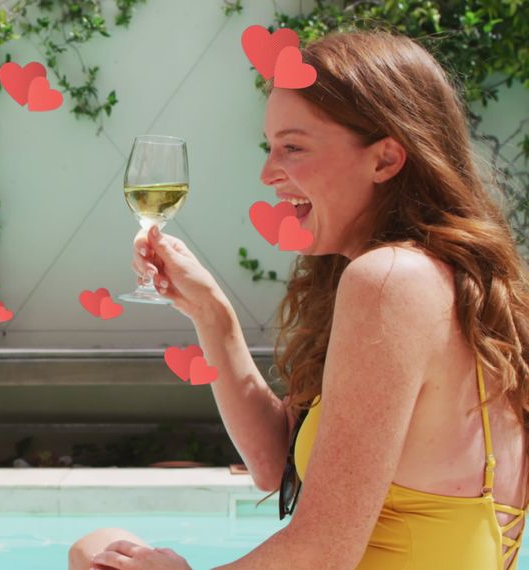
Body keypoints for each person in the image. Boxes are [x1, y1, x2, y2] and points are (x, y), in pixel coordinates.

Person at [69, 29, 529, 570]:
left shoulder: (389, 281)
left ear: (384, 160)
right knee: (100, 547)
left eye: (294, 147)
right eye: (270, 147)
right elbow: (275, 465)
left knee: (96, 555)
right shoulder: (450, 282)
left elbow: (322, 554)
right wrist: (211, 313)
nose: (268, 173)